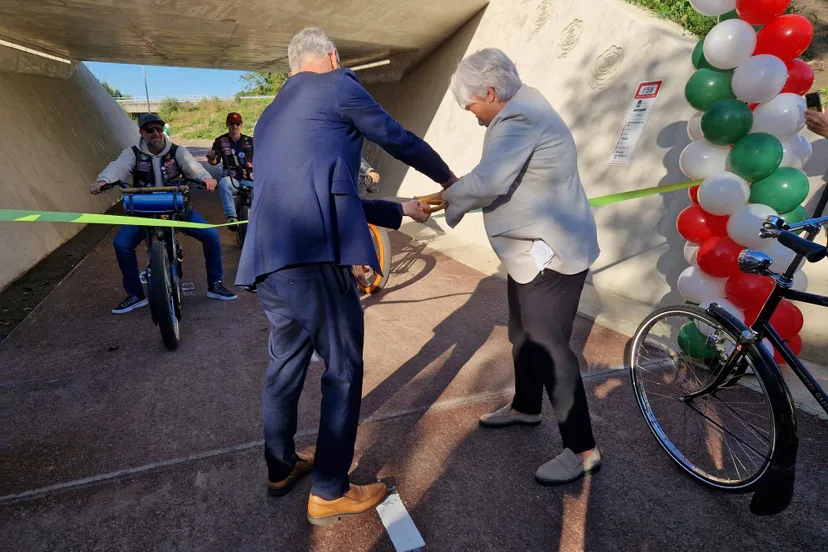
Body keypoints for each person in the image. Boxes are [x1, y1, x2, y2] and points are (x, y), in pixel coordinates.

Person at [234, 26, 455, 526]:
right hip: (316, 258)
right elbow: (397, 138)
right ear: (333, 57)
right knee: (344, 368)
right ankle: (330, 491)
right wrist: (450, 180)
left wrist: (398, 210)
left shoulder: (270, 115)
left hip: (270, 263)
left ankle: (281, 467)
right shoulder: (337, 85)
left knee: (285, 368)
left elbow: (321, 191)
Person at [437, 48, 602, 485]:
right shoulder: (522, 109)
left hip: (551, 253)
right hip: (532, 253)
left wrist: (443, 198)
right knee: (524, 335)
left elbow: (490, 180)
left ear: (491, 92)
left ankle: (582, 449)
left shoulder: (519, 118)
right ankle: (526, 407)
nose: (472, 115)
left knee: (549, 346)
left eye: (471, 105)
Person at [92, 113, 237, 313]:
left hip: (177, 208)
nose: (156, 133)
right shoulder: (133, 153)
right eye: (150, 130)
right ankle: (135, 294)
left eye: (159, 129)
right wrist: (103, 181)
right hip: (144, 210)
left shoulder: (177, 151)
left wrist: (206, 178)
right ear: (142, 132)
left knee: (211, 235)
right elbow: (118, 167)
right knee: (121, 244)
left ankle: (215, 284)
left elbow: (193, 167)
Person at [207, 112, 255, 227]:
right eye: (232, 123)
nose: (235, 126)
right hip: (232, 180)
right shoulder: (220, 141)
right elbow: (214, 162)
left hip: (250, 179)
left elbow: (261, 159)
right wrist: (211, 157)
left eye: (237, 123)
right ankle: (232, 218)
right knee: (223, 183)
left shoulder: (251, 141)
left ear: (241, 125)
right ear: (227, 124)